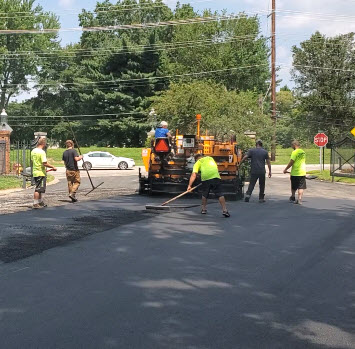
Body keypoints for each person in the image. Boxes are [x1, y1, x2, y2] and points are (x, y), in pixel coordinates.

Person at [31, 137, 57, 209]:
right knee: (38, 188)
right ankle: (35, 203)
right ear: (43, 143)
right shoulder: (42, 152)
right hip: (40, 172)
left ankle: (40, 202)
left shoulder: (33, 151)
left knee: (40, 188)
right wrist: (52, 167)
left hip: (35, 171)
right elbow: (44, 163)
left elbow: (33, 161)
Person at [283, 140, 306, 205]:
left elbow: (291, 162)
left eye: (292, 145)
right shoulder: (303, 152)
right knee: (301, 186)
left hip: (295, 172)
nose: (292, 147)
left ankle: (293, 196)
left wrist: (285, 169)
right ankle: (299, 199)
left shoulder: (294, 152)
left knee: (294, 186)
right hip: (302, 172)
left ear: (294, 145)